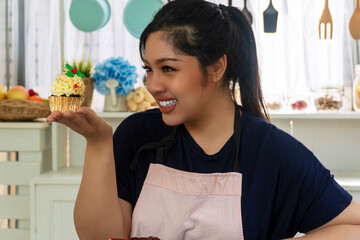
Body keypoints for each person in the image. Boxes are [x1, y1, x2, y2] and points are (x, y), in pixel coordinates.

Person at [47, 0, 360, 239]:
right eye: (148, 69)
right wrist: (99, 143)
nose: (153, 85)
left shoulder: (271, 151)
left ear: (216, 68)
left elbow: (353, 228)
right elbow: (101, 236)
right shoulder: (138, 134)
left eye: (168, 68)